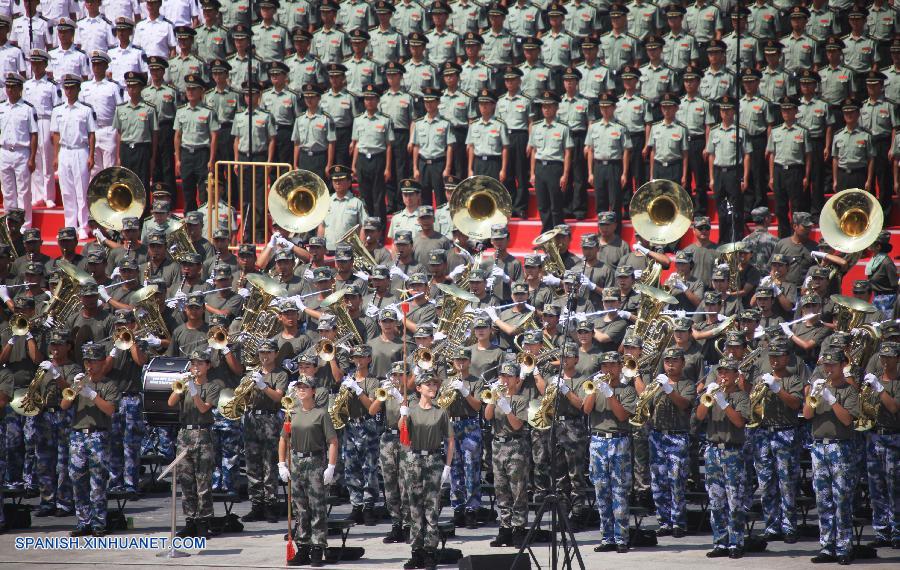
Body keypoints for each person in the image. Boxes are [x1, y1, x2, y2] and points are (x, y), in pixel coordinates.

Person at [803, 349, 860, 565]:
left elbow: (847, 420)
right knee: (823, 499)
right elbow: (807, 415)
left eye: (832, 366)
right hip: (819, 447)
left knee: (842, 499)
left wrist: (831, 399)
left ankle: (844, 547)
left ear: (841, 366)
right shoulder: (819, 386)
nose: (827, 369)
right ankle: (827, 547)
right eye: (825, 365)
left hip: (840, 447)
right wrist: (814, 395)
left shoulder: (849, 391)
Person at [279, 374, 339, 568]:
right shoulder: (292, 412)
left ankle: (317, 547)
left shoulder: (321, 414)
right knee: (299, 507)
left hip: (315, 461)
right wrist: (281, 463)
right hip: (296, 461)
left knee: (317, 507)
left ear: (313, 391)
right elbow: (284, 439)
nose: (301, 390)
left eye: (305, 387)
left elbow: (332, 441)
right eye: (299, 387)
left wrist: (331, 466)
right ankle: (303, 546)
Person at [60, 342, 118, 537]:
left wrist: (92, 394)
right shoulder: (80, 381)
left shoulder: (109, 385)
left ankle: (99, 523)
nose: (89, 366)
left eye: (93, 361)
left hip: (98, 435)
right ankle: (83, 521)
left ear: (103, 362)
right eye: (87, 361)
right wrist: (75, 387)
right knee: (77, 479)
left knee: (98, 481)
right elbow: (64, 405)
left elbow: (110, 410)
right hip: (78, 435)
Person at [399, 371, 454, 570]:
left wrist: (447, 465)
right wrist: (403, 416)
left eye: (435, 384)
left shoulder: (440, 411)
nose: (432, 387)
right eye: (428, 384)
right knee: (414, 508)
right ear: (419, 388)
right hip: (414, 459)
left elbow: (450, 440)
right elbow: (403, 435)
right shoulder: (411, 410)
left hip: (433, 460)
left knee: (431, 508)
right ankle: (416, 551)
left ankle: (430, 552)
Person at [696, 358, 750, 559]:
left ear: (737, 375)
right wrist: (708, 395)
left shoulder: (741, 396)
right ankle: (720, 541)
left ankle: (736, 542)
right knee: (716, 499)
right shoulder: (713, 393)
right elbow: (700, 416)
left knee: (734, 499)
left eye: (728, 372)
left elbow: (739, 422)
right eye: (721, 373)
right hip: (712, 450)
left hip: (732, 451)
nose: (724, 376)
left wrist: (724, 403)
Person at [168, 349, 221, 539]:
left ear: (208, 366)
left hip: (203, 433)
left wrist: (193, 390)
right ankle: (190, 520)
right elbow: (171, 402)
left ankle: (204, 522)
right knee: (186, 479)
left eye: (199, 364)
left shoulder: (213, 386)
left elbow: (203, 408)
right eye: (193, 364)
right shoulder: (185, 384)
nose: (195, 367)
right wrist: (181, 386)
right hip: (184, 434)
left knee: (203, 481)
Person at [754, 340, 804, 543]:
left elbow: (795, 403)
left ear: (787, 358)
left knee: (787, 483)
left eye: (779, 356)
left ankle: (789, 527)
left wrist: (777, 389)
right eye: (772, 357)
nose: (774, 360)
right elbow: (752, 402)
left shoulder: (793, 380)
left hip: (785, 432)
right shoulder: (761, 378)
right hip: (764, 432)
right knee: (766, 484)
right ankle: (771, 526)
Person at [648, 346, 696, 538]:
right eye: (667, 361)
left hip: (677, 436)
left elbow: (685, 404)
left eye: (674, 361)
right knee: (658, 481)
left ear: (682, 363)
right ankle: (664, 521)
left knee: (676, 480)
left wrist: (668, 389)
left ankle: (678, 522)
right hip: (657, 435)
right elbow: (645, 404)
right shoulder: (656, 384)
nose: (670, 364)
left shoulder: (687, 384)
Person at [31, 331, 80, 518]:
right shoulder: (44, 367)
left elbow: (71, 392)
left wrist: (56, 374)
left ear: (68, 346)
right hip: (44, 416)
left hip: (64, 415)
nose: (55, 348)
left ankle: (64, 502)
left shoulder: (73, 368)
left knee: (63, 461)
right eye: (53, 345)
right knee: (44, 460)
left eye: (59, 345)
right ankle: (47, 501)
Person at [239, 338, 288, 524]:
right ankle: (256, 504)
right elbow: (241, 396)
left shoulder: (280, 374)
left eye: (268, 353)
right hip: (252, 419)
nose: (264, 356)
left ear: (275, 354)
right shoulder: (252, 373)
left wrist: (262, 385)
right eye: (261, 353)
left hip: (270, 419)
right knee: (252, 464)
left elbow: (278, 397)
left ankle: (271, 504)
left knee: (269, 463)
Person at [484, 361, 529, 548]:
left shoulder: (520, 399)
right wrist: (494, 399)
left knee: (517, 490)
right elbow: (487, 416)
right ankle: (505, 528)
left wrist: (507, 406)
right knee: (501, 489)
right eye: (502, 376)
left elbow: (517, 425)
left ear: (517, 379)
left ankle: (519, 529)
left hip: (515, 445)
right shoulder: (496, 395)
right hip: (498, 445)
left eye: (509, 376)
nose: (504, 379)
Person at [863, 343, 899, 549]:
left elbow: (893, 407)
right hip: (874, 436)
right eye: (882, 357)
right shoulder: (875, 379)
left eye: (890, 357)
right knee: (876, 487)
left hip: (894, 438)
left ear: (898, 359)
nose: (884, 361)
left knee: (895, 487)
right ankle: (881, 530)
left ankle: (897, 530)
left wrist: (879, 388)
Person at [51, 74, 95, 238]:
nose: (69, 91)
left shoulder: (86, 109)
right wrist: (56, 156)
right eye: (66, 87)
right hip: (65, 151)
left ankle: (83, 225)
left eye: (72, 87)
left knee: (82, 190)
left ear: (78, 89)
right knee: (67, 191)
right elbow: (55, 135)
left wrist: (91, 155)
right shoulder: (58, 110)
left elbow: (91, 134)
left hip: (80, 150)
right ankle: (70, 226)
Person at [231, 79, 275, 243]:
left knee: (259, 198)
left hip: (259, 157)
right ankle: (247, 232)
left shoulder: (265, 116)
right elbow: (236, 140)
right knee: (244, 197)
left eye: (252, 95)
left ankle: (259, 232)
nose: (249, 98)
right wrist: (236, 160)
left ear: (259, 96)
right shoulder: (239, 116)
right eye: (246, 96)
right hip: (243, 158)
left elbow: (271, 140)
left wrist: (270, 161)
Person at [705, 95, 750, 242]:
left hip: (734, 172)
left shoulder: (740, 130)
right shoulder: (714, 131)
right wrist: (711, 178)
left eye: (728, 110)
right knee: (722, 210)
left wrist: (745, 178)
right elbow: (711, 155)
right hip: (719, 173)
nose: (725, 113)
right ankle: (723, 240)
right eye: (723, 110)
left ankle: (736, 239)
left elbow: (747, 155)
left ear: (734, 111)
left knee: (736, 210)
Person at [528, 90, 573, 233]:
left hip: (555, 168)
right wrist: (533, 173)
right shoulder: (536, 127)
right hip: (540, 167)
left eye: (549, 106)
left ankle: (559, 233)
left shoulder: (563, 127)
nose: (546, 110)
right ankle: (546, 233)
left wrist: (565, 174)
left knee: (556, 204)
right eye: (544, 107)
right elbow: (534, 151)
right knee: (542, 205)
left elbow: (567, 152)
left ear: (556, 108)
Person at [174, 73, 219, 213]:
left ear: (201, 91)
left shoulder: (208, 112)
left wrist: (211, 159)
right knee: (188, 190)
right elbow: (177, 136)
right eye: (188, 89)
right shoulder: (181, 111)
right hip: (186, 153)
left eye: (194, 89)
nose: (191, 92)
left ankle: (204, 222)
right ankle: (189, 223)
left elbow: (214, 136)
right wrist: (177, 159)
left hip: (202, 154)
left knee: (203, 191)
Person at [0, 72, 37, 230]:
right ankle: (10, 224)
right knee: (7, 191)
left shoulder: (28, 109)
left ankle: (25, 225)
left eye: (13, 87)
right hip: (4, 151)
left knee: (23, 192)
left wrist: (32, 158)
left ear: (20, 88)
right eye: (7, 86)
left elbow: (34, 134)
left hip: (22, 152)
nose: (10, 90)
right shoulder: (1, 107)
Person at [352, 83, 394, 222]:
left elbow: (388, 145)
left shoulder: (385, 120)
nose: (369, 102)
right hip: (363, 160)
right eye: (366, 99)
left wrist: (388, 168)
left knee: (378, 197)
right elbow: (356, 144)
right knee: (365, 196)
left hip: (378, 159)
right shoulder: (358, 120)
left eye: (372, 99)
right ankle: (368, 227)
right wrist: (354, 165)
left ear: (377, 100)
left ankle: (380, 230)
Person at [23, 49, 58, 210]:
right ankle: (37, 195)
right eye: (33, 63)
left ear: (45, 64)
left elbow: (57, 108)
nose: (36, 67)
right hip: (31, 123)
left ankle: (49, 196)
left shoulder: (51, 85)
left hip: (46, 121)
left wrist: (54, 129)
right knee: (34, 158)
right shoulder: (26, 85)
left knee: (46, 160)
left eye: (39, 63)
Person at [586, 93, 631, 220]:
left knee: (615, 202)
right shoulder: (593, 127)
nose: (604, 110)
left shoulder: (621, 127)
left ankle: (616, 234)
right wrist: (590, 172)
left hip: (614, 166)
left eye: (607, 107)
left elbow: (626, 151)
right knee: (600, 202)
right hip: (599, 166)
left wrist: (624, 173)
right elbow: (590, 150)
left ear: (614, 107)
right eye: (602, 107)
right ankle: (602, 234)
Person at [113, 71, 157, 196]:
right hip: (126, 148)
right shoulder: (120, 108)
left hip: (142, 148)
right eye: (129, 86)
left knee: (143, 181)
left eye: (134, 86)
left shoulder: (149, 108)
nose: (131, 89)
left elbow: (154, 134)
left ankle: (145, 212)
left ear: (141, 87)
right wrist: (118, 155)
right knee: (126, 181)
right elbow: (119, 133)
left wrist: (153, 157)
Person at [411, 86, 453, 208]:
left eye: (431, 101)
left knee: (440, 197)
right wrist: (415, 168)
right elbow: (416, 147)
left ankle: (440, 224)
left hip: (438, 163)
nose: (428, 104)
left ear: (438, 102)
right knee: (424, 199)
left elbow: (450, 146)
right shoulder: (419, 124)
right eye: (426, 101)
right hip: (423, 163)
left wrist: (447, 168)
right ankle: (426, 225)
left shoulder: (445, 123)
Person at [292, 83, 334, 180]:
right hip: (304, 157)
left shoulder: (326, 118)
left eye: (312, 97)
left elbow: (331, 143)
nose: (309, 100)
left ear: (319, 98)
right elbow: (297, 143)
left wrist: (329, 164)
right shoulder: (299, 118)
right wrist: (295, 164)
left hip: (319, 158)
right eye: (306, 97)